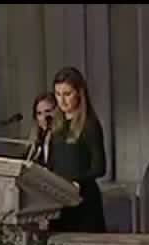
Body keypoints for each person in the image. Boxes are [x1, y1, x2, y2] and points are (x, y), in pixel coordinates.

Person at [46, 67, 107, 233]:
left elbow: (100, 168)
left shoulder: (89, 125)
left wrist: (77, 181)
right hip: (59, 201)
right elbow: (52, 165)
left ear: (79, 93)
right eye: (58, 94)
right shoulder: (55, 126)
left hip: (83, 202)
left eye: (67, 94)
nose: (62, 101)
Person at [27, 92, 56, 167]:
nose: (44, 117)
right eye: (39, 113)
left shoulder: (63, 140)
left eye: (48, 111)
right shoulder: (37, 142)